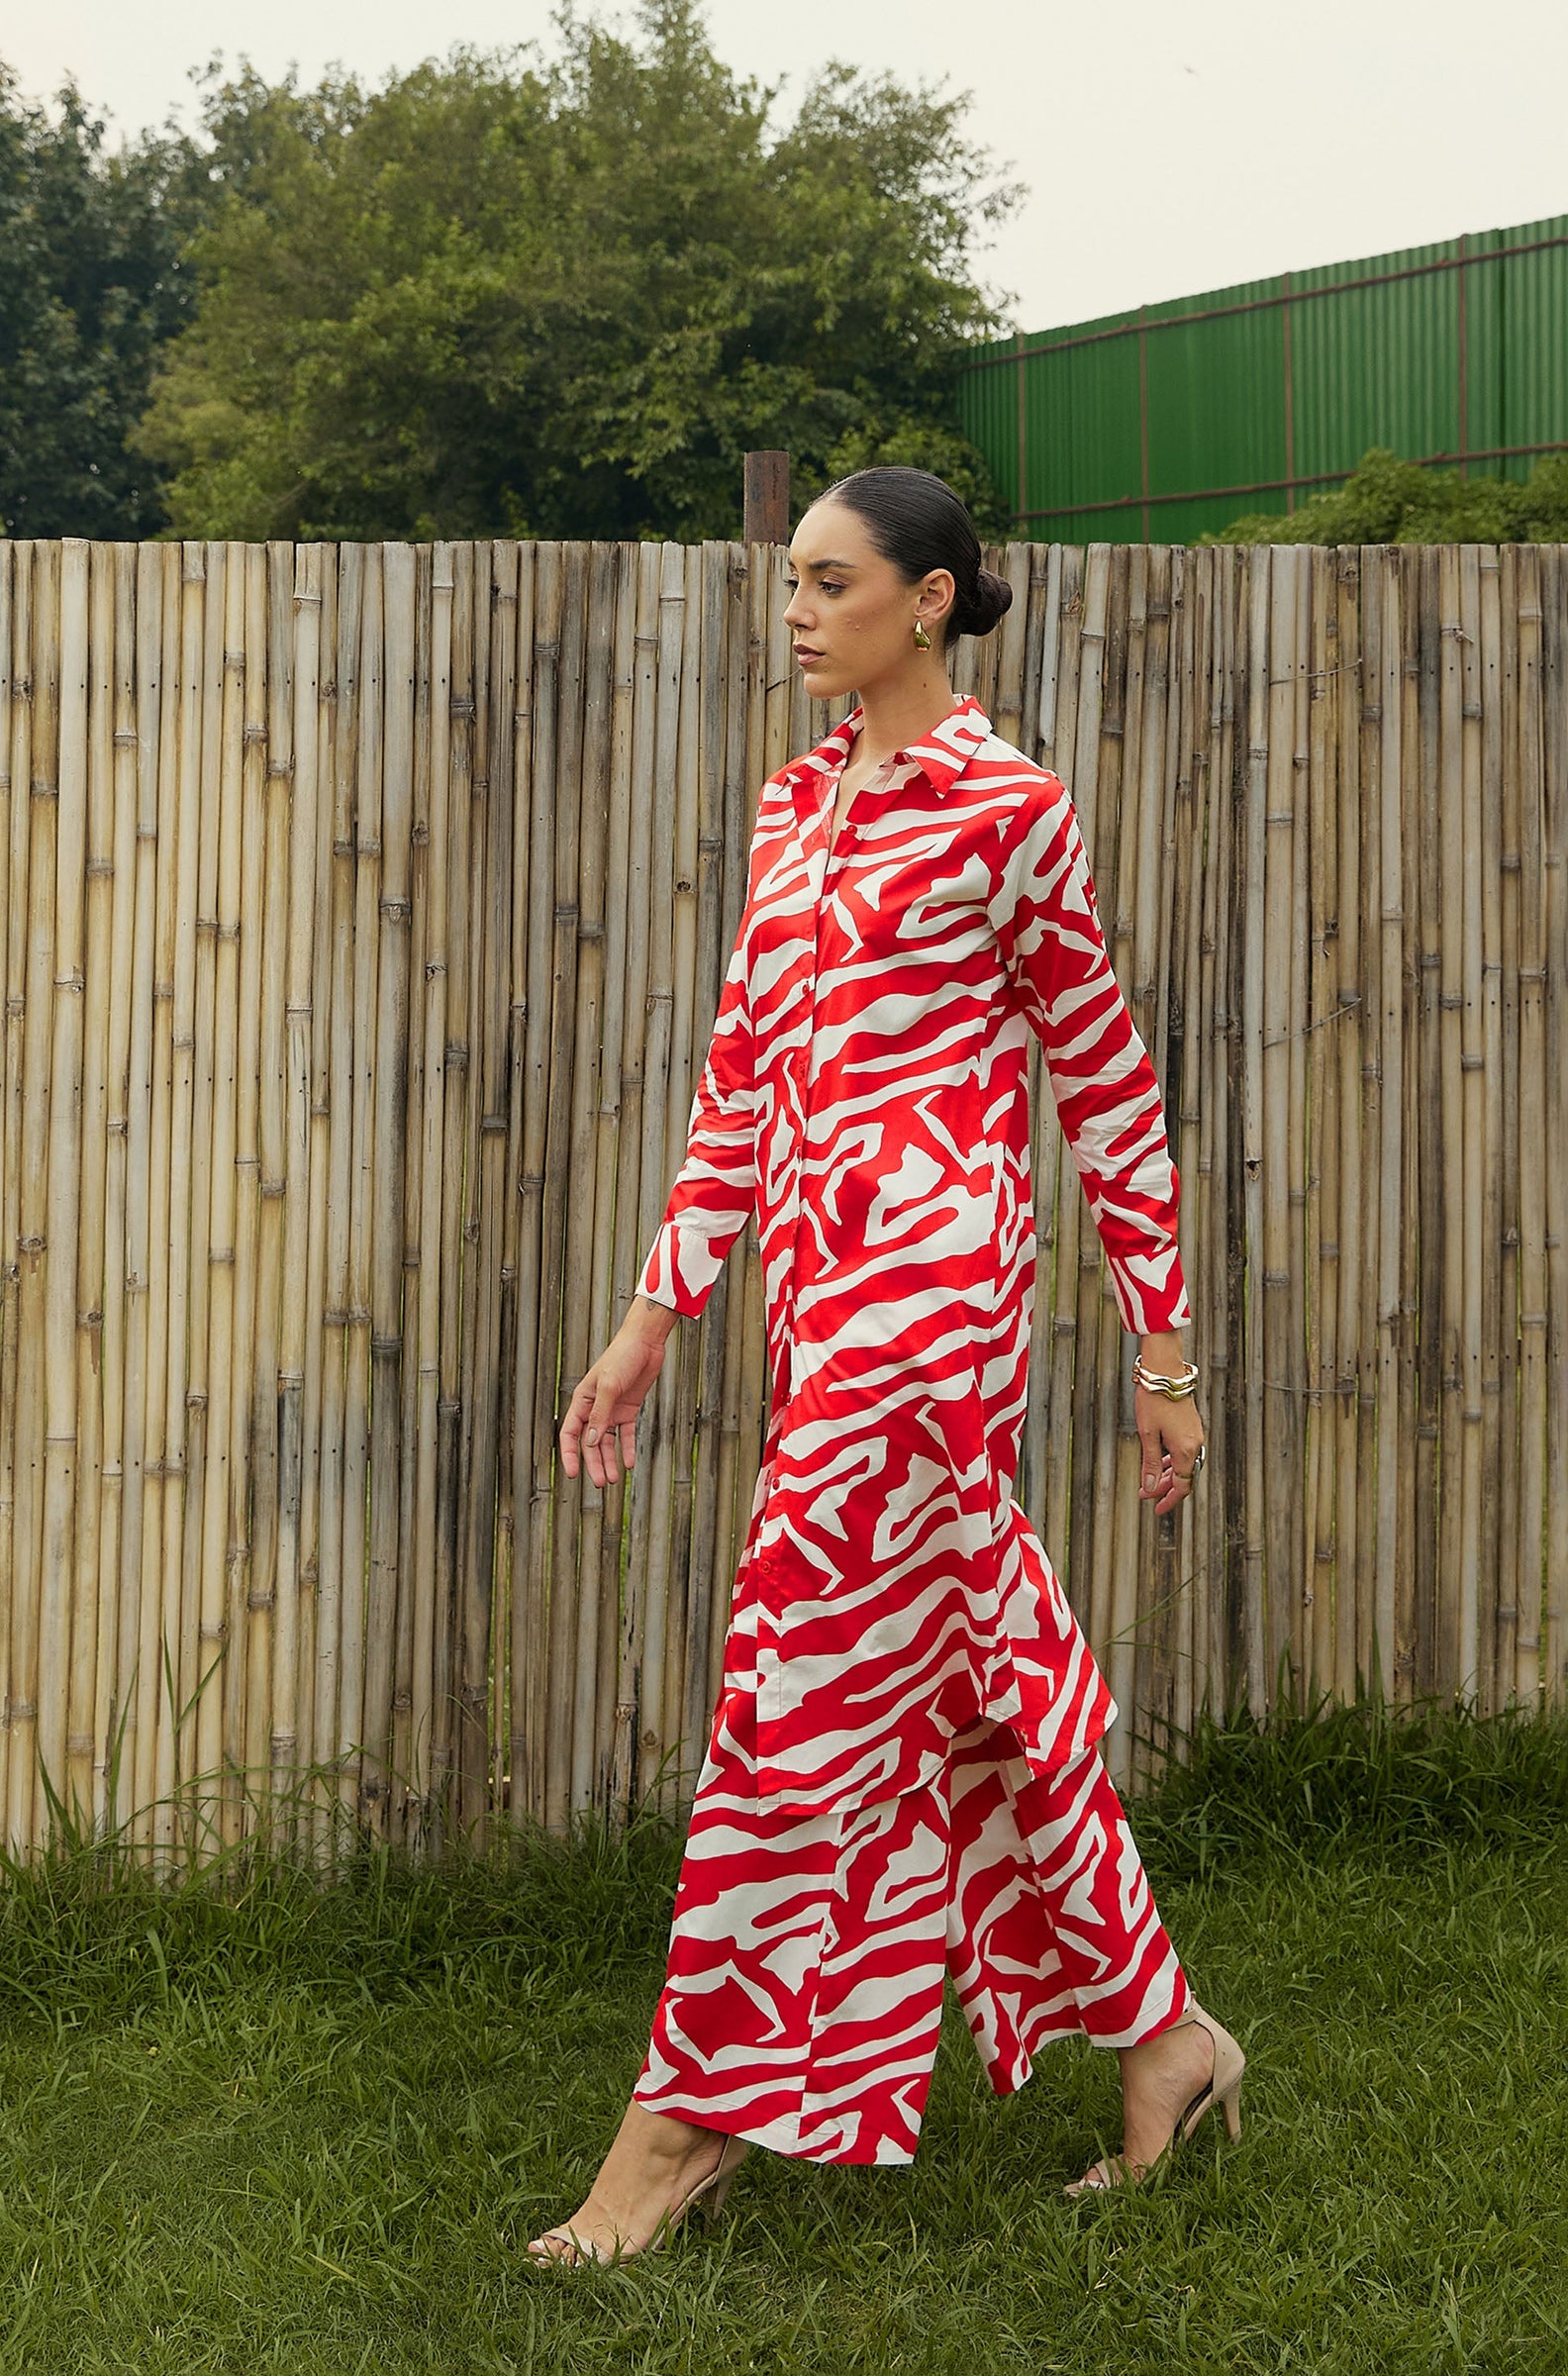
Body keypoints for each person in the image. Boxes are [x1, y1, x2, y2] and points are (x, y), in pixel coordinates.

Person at [528, 466, 1244, 2267]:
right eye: (788, 582)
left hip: (932, 1309)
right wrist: (644, 1328)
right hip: (814, 1295)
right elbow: (740, 1090)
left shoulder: (1009, 808)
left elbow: (1106, 1081)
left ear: (928, 601)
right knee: (987, 1674)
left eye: (830, 582)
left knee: (798, 1679)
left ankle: (686, 2120)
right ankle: (1169, 2040)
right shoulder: (789, 812)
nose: (794, 608)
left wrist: (1166, 1349)